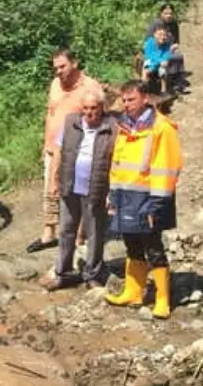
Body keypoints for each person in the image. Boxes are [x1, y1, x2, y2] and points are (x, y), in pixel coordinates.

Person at [105, 80, 183, 319]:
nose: (126, 105)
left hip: (149, 198)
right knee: (132, 245)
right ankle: (133, 291)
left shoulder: (161, 128)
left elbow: (167, 168)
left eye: (132, 100)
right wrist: (112, 195)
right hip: (125, 196)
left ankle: (162, 299)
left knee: (153, 248)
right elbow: (118, 164)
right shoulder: (126, 126)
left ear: (145, 99)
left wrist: (156, 205)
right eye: (124, 100)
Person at [28, 48, 104, 254]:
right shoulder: (55, 85)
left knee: (76, 191)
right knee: (49, 189)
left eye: (62, 66)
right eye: (55, 68)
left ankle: (80, 235)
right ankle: (48, 232)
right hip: (54, 146)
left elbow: (97, 118)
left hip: (77, 149)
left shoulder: (90, 86)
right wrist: (46, 143)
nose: (58, 72)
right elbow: (50, 114)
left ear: (74, 63)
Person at [40, 87, 116, 291]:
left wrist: (112, 191)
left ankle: (92, 274)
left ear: (102, 108)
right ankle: (62, 272)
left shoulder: (112, 127)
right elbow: (58, 151)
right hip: (70, 184)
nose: (89, 113)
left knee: (95, 232)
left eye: (94, 108)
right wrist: (54, 181)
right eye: (85, 108)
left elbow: (118, 161)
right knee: (66, 230)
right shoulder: (71, 122)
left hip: (96, 186)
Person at [142, 24, 174, 96]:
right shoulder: (150, 42)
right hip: (152, 61)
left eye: (164, 35)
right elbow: (149, 55)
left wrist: (163, 61)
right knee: (146, 68)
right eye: (160, 34)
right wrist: (154, 66)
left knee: (163, 70)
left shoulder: (167, 45)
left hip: (160, 63)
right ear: (154, 35)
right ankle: (144, 88)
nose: (162, 37)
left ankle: (163, 90)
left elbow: (166, 55)